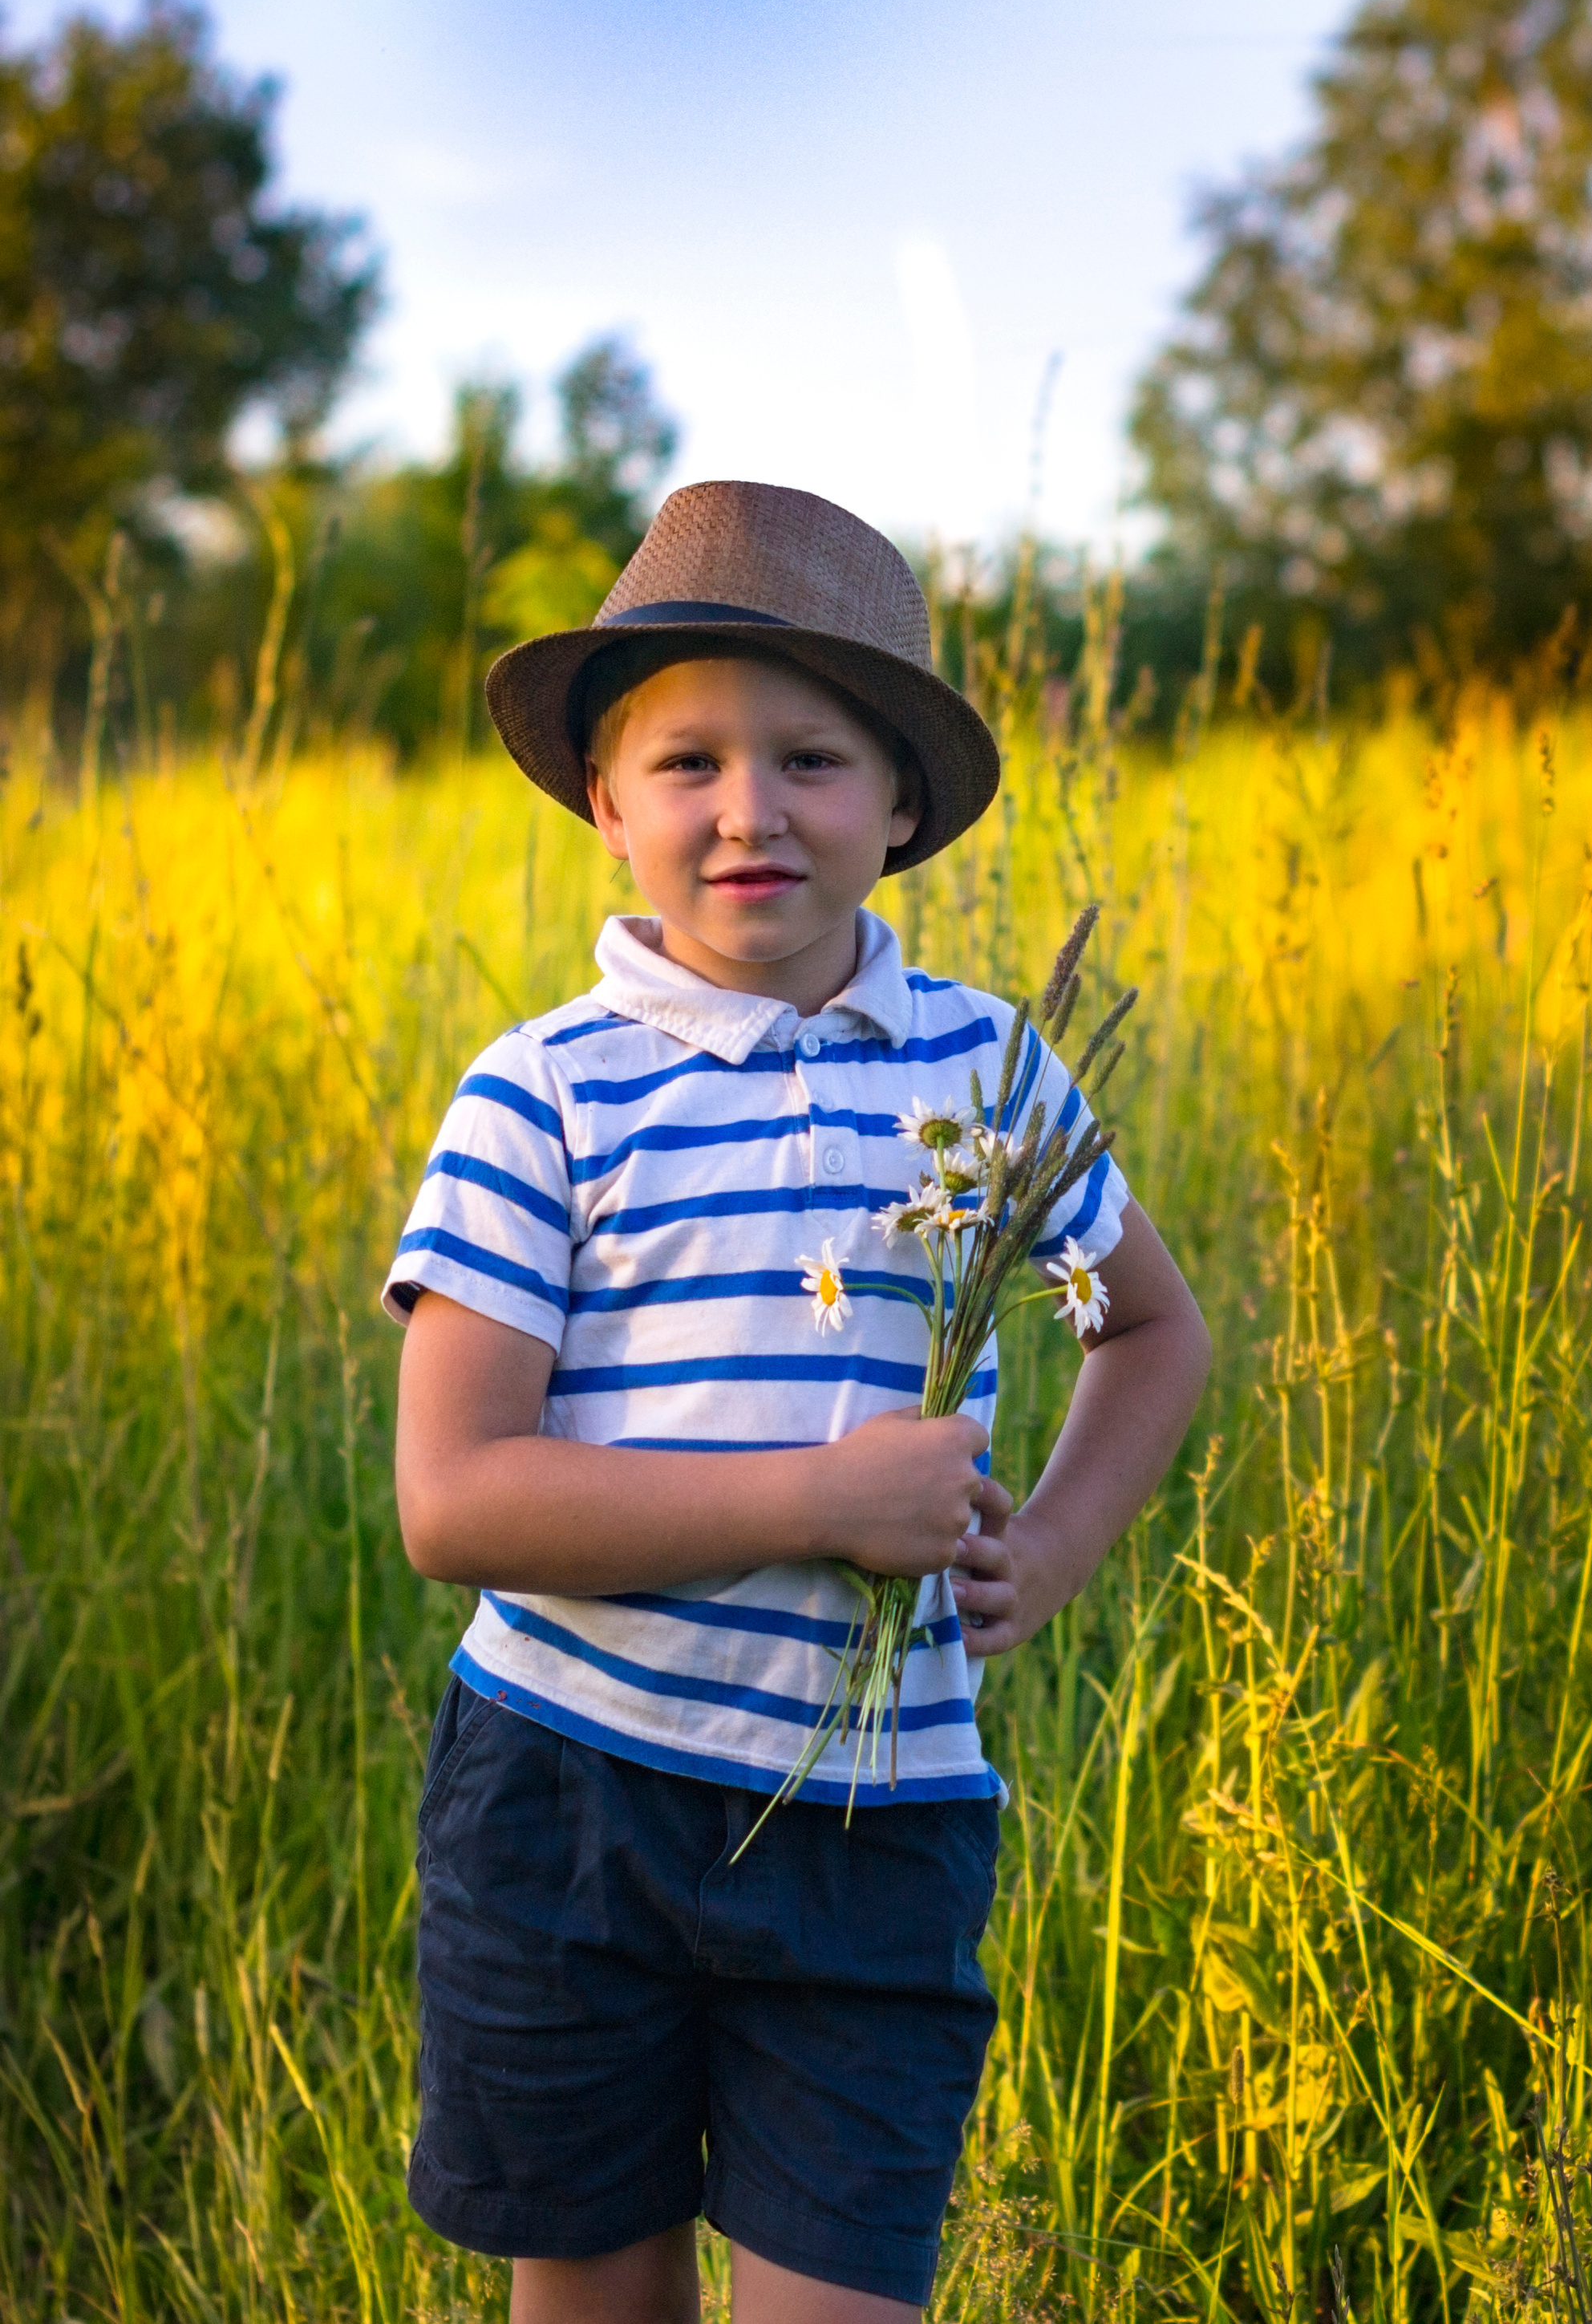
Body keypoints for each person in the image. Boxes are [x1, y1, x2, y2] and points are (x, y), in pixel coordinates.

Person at [385, 481, 1210, 2324]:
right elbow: (453, 1503)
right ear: (604, 807)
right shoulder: (542, 1098)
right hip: (571, 1801)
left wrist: (1054, 1546)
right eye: (685, 762)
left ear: (901, 807)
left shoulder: (985, 1073)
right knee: (595, 2293)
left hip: (879, 1814)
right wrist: (818, 1500)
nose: (749, 808)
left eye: (812, 759)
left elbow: (1150, 1332)